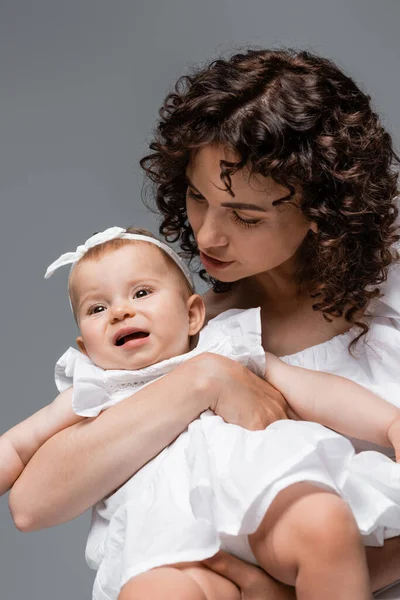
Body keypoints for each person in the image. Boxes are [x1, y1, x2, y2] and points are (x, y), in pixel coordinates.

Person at [8, 48, 400, 598]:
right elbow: (30, 504)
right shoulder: (190, 332)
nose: (207, 236)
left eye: (245, 216)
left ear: (323, 212)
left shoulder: (389, 311)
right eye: (197, 197)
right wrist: (203, 380)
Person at [2, 225, 400, 600]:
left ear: (193, 314)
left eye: (141, 293)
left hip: (263, 504)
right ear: (85, 348)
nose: (119, 312)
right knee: (153, 593)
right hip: (165, 541)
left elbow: (314, 392)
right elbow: (18, 447)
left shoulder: (227, 343)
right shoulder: (96, 388)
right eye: (97, 308)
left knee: (326, 525)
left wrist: (389, 424)